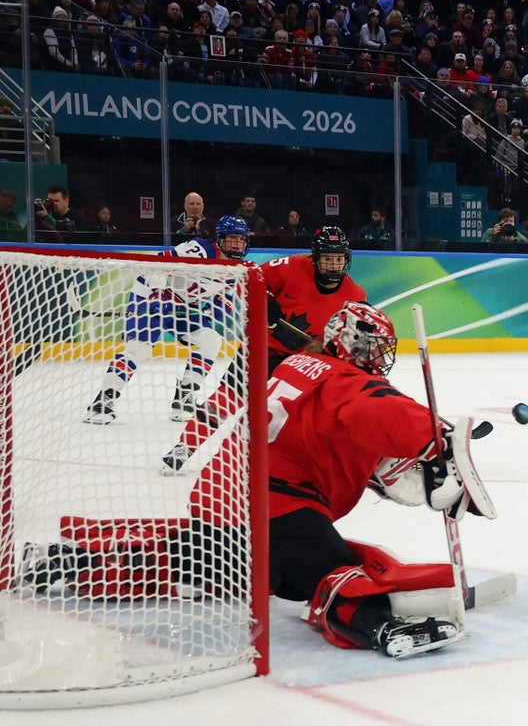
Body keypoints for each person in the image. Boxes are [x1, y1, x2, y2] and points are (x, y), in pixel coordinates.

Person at [192, 302, 472, 657]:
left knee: (258, 562)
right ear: (346, 342)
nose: (377, 356)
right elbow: (379, 409)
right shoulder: (343, 379)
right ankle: (378, 626)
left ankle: (184, 560)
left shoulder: (299, 364)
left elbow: (335, 433)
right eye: (371, 347)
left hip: (218, 496)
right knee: (336, 573)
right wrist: (435, 439)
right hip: (271, 507)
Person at [162, 227, 367, 470]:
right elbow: (249, 276)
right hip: (263, 349)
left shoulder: (355, 295)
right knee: (225, 399)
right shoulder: (289, 267)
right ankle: (185, 446)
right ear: (314, 258)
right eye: (327, 259)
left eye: (338, 259)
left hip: (306, 365)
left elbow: (352, 337)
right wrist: (264, 299)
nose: (334, 265)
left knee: (305, 418)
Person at [83, 216, 251, 425]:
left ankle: (184, 400)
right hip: (150, 294)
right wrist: (157, 294)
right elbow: (157, 263)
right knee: (139, 348)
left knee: (211, 341)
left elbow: (222, 298)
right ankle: (103, 401)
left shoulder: (236, 269)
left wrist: (212, 312)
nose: (236, 244)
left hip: (185, 307)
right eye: (231, 238)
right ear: (219, 238)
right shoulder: (199, 251)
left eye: (240, 239)